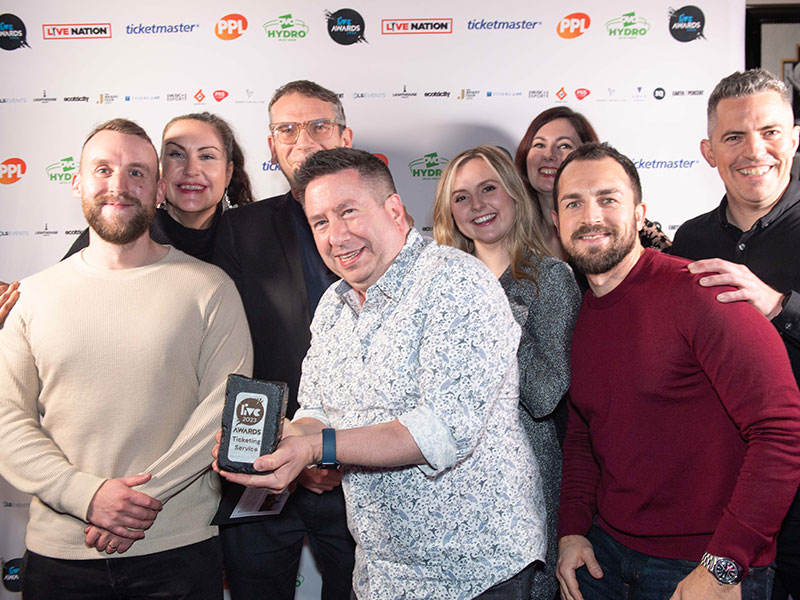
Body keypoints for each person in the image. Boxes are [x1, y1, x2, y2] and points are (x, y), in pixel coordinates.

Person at [214, 147, 547, 599]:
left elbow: (441, 432)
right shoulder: (334, 304)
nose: (336, 235)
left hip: (475, 573)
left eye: (348, 212)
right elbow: (317, 410)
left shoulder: (456, 282)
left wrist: (315, 447)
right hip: (380, 575)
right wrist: (280, 439)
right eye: (320, 222)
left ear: (393, 209)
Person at [0, 118, 253, 599]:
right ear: (76, 182)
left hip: (177, 549)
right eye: (103, 169)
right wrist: (86, 496)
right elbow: (7, 420)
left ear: (158, 190)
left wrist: (140, 500)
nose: (119, 185)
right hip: (60, 555)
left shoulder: (210, 289)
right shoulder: (30, 298)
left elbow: (225, 407)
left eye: (137, 172)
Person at [552, 142, 800, 600]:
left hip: (702, 564)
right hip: (606, 555)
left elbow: (782, 431)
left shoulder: (701, 292)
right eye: (573, 203)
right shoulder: (582, 314)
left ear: (639, 214)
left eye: (607, 199)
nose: (590, 216)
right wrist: (571, 531)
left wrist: (724, 565)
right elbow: (584, 434)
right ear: (556, 221)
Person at [212, 80, 355, 599]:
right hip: (262, 463)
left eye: (319, 126)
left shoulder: (384, 228)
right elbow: (224, 354)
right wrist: (288, 447)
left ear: (345, 136)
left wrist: (333, 452)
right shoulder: (238, 229)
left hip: (359, 472)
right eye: (288, 130)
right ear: (272, 145)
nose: (304, 140)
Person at [670, 68, 800, 600]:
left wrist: (778, 305)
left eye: (770, 132)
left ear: (795, 137)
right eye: (734, 136)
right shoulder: (690, 240)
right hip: (727, 499)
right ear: (709, 152)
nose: (754, 150)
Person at [433, 145, 580, 600]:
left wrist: (494, 312)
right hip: (447, 478)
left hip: (523, 482)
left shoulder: (550, 278)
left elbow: (544, 393)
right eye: (461, 197)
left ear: (514, 193)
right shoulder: (438, 284)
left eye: (488, 189)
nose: (476, 205)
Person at [65, 112, 254, 262]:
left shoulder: (251, 237)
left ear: (228, 172)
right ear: (159, 168)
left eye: (206, 157)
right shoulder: (126, 227)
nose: (191, 170)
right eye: (177, 154)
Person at [514, 106, 671, 258]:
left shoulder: (632, 227)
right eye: (539, 145)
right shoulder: (512, 231)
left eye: (564, 145)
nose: (548, 155)